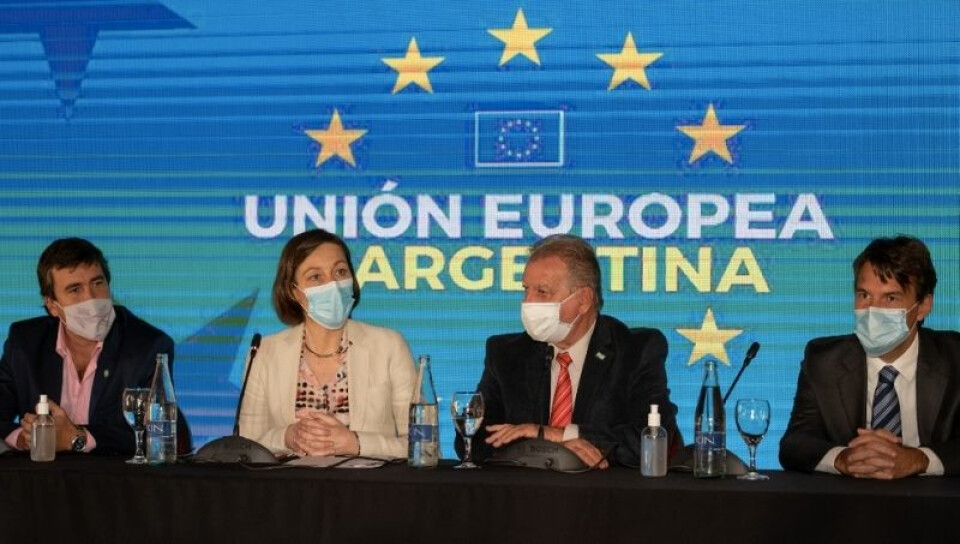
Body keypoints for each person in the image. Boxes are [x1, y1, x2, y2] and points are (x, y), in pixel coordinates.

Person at [457, 234, 679, 468]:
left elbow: (651, 438)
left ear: (583, 300)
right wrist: (543, 448)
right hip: (525, 489)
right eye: (526, 290)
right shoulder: (506, 354)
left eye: (542, 292)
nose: (528, 302)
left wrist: (553, 434)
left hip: (606, 490)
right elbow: (471, 441)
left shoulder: (637, 350)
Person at [780, 235, 960, 478]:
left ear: (923, 306)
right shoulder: (824, 360)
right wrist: (843, 458)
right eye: (864, 295)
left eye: (890, 298)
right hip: (851, 499)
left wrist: (919, 459)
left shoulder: (954, 357)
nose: (873, 310)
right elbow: (795, 443)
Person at [238, 229, 416, 458]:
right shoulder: (264, 353)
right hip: (288, 481)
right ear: (294, 292)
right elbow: (245, 447)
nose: (333, 284)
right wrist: (287, 437)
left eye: (340, 272)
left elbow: (424, 446)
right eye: (316, 277)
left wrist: (356, 443)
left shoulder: (389, 346)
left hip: (368, 481)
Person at [0, 238, 176, 455]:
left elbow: (155, 434)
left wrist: (77, 437)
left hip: (114, 474)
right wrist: (24, 439)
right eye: (75, 289)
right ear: (52, 305)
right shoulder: (25, 342)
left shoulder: (148, 346)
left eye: (97, 283)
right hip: (41, 473)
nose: (91, 298)